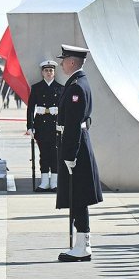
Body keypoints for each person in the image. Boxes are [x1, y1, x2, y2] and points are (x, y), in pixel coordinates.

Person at [56, 45, 102, 262]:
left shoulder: (76, 87)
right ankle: (81, 244)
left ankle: (83, 247)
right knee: (77, 198)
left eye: (63, 60)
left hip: (77, 147)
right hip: (77, 144)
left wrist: (70, 155)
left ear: (72, 62)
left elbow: (73, 124)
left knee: (78, 197)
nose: (61, 63)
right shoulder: (77, 83)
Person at [26, 59, 62, 192]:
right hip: (41, 126)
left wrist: (57, 111)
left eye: (51, 70)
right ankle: (44, 182)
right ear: (42, 73)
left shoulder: (60, 88)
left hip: (55, 127)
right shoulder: (36, 88)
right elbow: (30, 108)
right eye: (46, 70)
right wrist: (30, 126)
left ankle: (54, 182)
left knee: (55, 154)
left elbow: (64, 109)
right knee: (43, 154)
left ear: (54, 72)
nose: (48, 73)